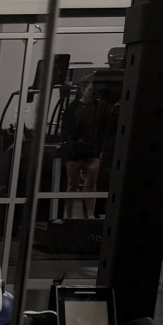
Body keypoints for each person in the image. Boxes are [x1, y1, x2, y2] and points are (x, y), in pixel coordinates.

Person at [60, 79, 107, 220]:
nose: (91, 93)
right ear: (82, 90)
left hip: (91, 150)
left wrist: (99, 148)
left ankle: (90, 214)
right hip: (74, 150)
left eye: (93, 91)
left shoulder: (98, 108)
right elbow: (66, 129)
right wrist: (70, 146)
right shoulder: (72, 108)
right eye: (89, 90)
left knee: (91, 184)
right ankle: (68, 215)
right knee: (72, 184)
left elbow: (101, 129)